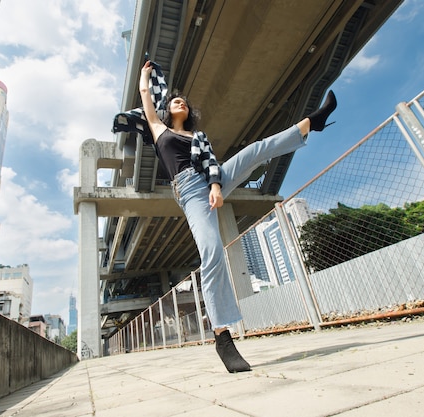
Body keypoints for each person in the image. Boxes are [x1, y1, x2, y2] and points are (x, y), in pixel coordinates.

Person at [138, 60, 337, 373]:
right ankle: (222, 336)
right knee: (212, 252)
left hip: (209, 180)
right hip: (189, 192)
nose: (181, 102)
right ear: (167, 110)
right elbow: (145, 97)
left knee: (255, 149)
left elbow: (213, 164)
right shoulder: (160, 130)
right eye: (176, 100)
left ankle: (312, 122)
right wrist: (144, 75)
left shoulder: (198, 137)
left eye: (185, 102)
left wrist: (217, 187)